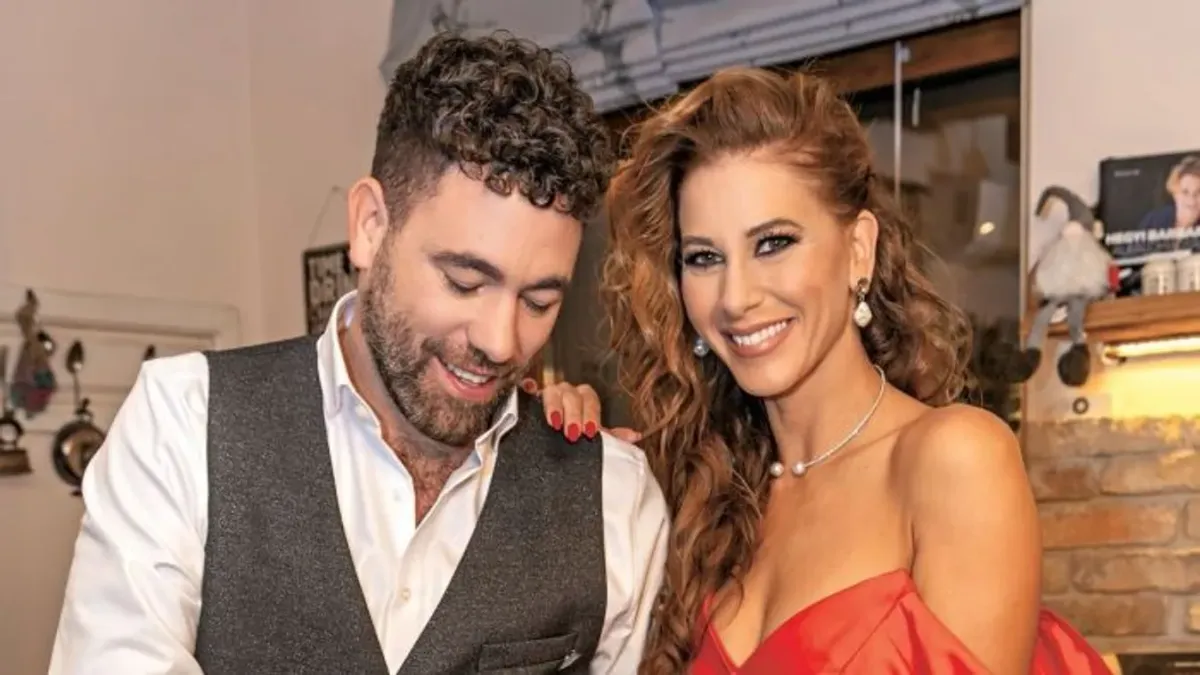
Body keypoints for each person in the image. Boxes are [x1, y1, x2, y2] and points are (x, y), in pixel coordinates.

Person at [49, 32, 668, 675]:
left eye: (539, 301)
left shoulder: (615, 496)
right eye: (464, 281)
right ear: (371, 226)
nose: (500, 341)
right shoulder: (182, 425)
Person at [538, 67, 1110, 674]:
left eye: (774, 243)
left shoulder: (954, 460)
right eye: (704, 257)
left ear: (858, 249)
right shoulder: (703, 496)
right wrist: (548, 455)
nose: (736, 297)